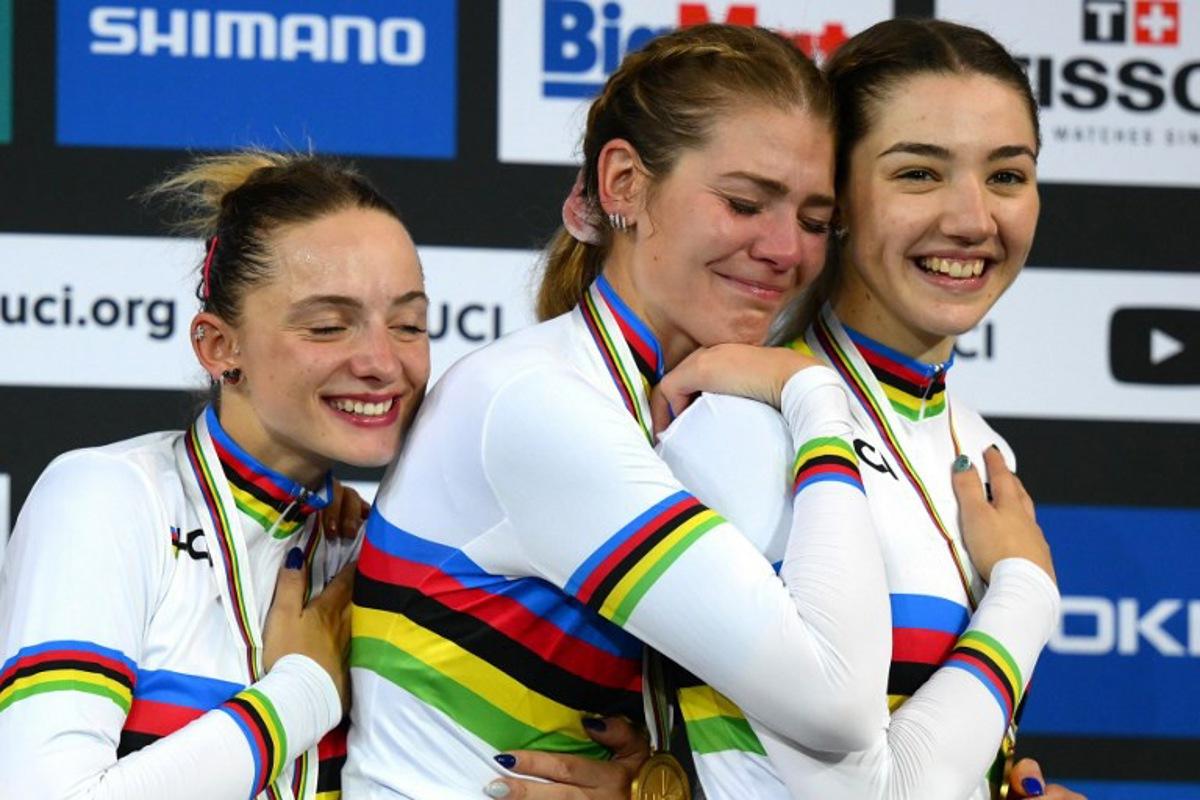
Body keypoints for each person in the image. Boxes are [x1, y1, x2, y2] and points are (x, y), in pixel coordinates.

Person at [345, 22, 901, 800]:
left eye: (815, 221)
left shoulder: (680, 405)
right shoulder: (536, 403)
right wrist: (816, 394)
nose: (787, 250)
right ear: (623, 186)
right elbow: (840, 706)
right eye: (746, 203)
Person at [649, 18, 1079, 800]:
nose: (974, 220)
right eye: (919, 174)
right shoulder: (745, 423)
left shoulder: (984, 453)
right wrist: (1025, 591)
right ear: (837, 198)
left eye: (1007, 176)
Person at [0, 152, 430, 800]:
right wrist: (302, 694)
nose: (381, 361)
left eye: (409, 324)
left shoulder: (373, 550)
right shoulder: (111, 498)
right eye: (328, 326)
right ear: (219, 347)